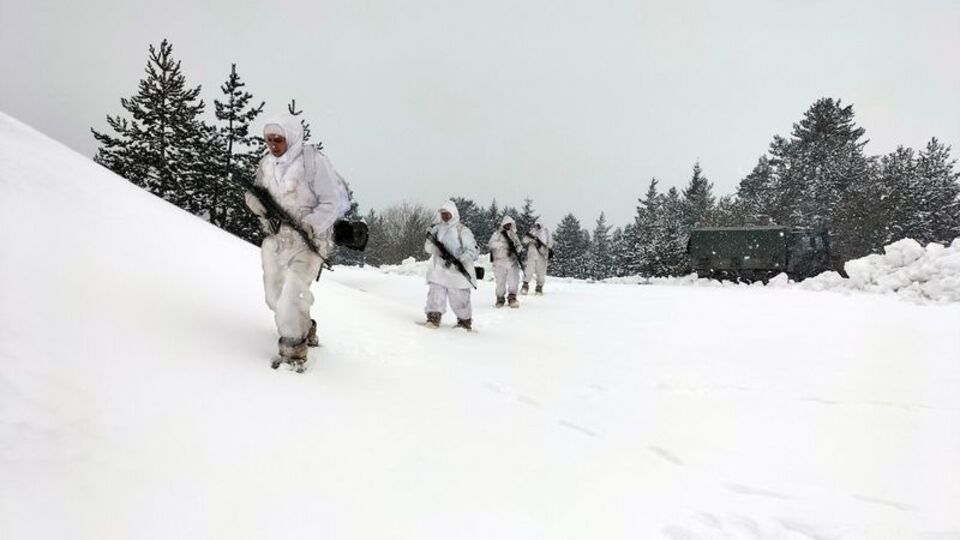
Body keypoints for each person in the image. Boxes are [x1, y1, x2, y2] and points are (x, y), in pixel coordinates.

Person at [244, 114, 350, 370]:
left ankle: (293, 352)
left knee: (291, 295)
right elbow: (255, 195)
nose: (273, 144)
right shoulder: (267, 164)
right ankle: (306, 326)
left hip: (310, 241)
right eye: (269, 139)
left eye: (278, 139)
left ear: (290, 136)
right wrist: (262, 212)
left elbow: (331, 202)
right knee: (274, 298)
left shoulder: (312, 162)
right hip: (278, 241)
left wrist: (309, 224)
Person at [423, 201, 479, 330]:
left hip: (458, 272)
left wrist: (460, 260)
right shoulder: (437, 229)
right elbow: (428, 245)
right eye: (443, 214)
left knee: (460, 299)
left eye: (448, 214)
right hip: (439, 269)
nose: (445, 216)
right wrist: (435, 250)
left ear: (454, 214)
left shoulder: (463, 230)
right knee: (435, 293)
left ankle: (464, 322)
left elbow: (472, 251)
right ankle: (433, 317)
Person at [487, 215, 523, 308]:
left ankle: (512, 298)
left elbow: (519, 246)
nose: (508, 225)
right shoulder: (497, 234)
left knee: (513, 280)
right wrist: (503, 245)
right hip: (499, 261)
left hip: (512, 261)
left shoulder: (514, 235)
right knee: (500, 281)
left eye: (510, 224)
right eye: (507, 224)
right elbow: (491, 244)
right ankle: (500, 298)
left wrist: (516, 250)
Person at [521, 221, 553, 295]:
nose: (537, 226)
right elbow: (524, 240)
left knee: (541, 273)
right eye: (536, 224)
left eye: (539, 224)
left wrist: (544, 247)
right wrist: (531, 239)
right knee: (529, 271)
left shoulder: (546, 232)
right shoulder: (532, 231)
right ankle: (525, 286)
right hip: (532, 255)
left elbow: (550, 243)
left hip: (542, 255)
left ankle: (539, 288)